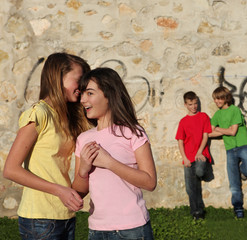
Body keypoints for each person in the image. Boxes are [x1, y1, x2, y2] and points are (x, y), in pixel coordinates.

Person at [3, 52, 91, 239]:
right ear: (57, 77)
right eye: (79, 79)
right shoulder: (40, 113)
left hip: (65, 215)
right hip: (39, 219)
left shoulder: (69, 117)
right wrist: (60, 191)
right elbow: (10, 169)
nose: (83, 86)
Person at [72, 67, 157, 240]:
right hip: (96, 231)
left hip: (132, 229)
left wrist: (109, 163)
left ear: (109, 94)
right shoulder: (83, 139)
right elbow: (79, 192)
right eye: (82, 94)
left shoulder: (133, 132)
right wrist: (83, 171)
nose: (82, 100)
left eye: (89, 93)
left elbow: (150, 182)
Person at [209, 86, 247, 219]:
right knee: (234, 183)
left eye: (219, 98)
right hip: (230, 149)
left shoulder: (235, 110)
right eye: (215, 99)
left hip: (243, 145)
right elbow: (209, 132)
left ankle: (242, 171)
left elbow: (232, 131)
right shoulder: (217, 114)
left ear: (226, 98)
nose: (217, 101)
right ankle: (238, 208)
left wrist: (218, 129)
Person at [175, 91, 213, 220]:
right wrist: (184, 158)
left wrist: (199, 151)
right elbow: (180, 141)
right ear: (186, 104)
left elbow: (205, 135)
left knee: (200, 172)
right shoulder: (183, 122)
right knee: (191, 188)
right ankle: (196, 212)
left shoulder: (204, 117)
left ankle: (206, 172)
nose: (194, 106)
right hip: (188, 158)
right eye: (191, 104)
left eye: (196, 103)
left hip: (202, 154)